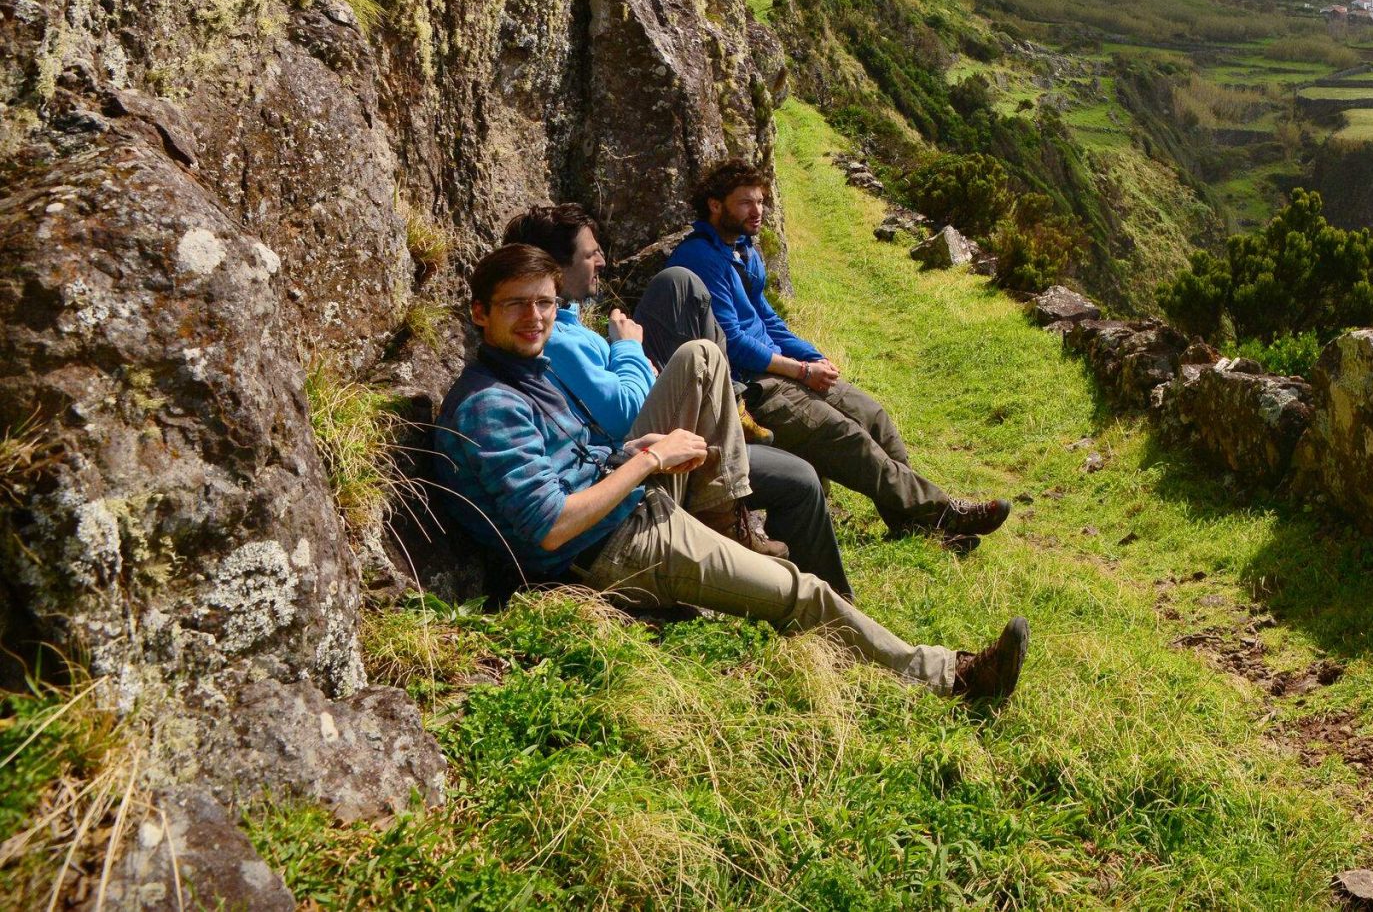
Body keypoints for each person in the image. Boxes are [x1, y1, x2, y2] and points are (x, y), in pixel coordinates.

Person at [437, 242, 1028, 702]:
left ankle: (727, 520)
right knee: (804, 593)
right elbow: (549, 527)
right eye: (516, 303)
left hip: (634, 507)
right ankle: (954, 677)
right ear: (479, 312)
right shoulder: (492, 405)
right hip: (613, 550)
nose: (534, 317)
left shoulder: (525, 373)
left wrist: (633, 453)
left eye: (543, 302)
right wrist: (649, 460)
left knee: (701, 357)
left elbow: (570, 469)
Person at [501, 201, 854, 586]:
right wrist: (628, 349)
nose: (602, 260)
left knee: (802, 476)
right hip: (635, 463)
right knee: (700, 352)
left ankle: (827, 604)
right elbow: (621, 414)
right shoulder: (554, 340)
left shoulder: (570, 325)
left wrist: (638, 366)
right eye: (591, 253)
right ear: (554, 266)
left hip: (647, 448)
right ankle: (722, 515)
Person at [662, 159, 1009, 544]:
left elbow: (767, 318)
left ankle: (913, 523)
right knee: (848, 437)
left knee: (873, 416)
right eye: (746, 203)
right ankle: (944, 512)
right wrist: (800, 372)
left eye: (761, 201)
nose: (757, 212)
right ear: (715, 205)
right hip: (754, 389)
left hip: (785, 370)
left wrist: (811, 357)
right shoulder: (700, 258)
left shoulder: (742, 251)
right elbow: (733, 343)